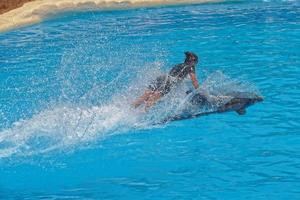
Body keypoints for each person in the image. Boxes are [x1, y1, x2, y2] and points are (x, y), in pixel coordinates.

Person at [133, 51, 200, 110]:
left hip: (161, 78)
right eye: (196, 62)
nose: (196, 65)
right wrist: (199, 90)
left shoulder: (178, 65)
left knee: (145, 96)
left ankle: (131, 108)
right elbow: (194, 81)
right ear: (193, 61)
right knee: (153, 98)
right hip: (168, 82)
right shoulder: (191, 66)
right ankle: (143, 113)